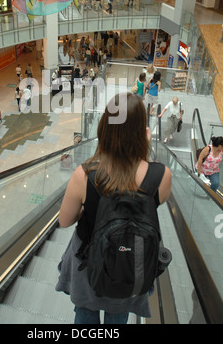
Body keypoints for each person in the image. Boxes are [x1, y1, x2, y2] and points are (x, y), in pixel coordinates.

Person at [56, 93, 172, 324]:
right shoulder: (162, 175)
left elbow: (64, 221)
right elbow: (151, 202)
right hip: (132, 264)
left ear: (104, 128)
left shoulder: (85, 175)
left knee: (86, 313)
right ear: (142, 131)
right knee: (119, 314)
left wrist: (87, 209)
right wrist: (144, 150)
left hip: (89, 261)